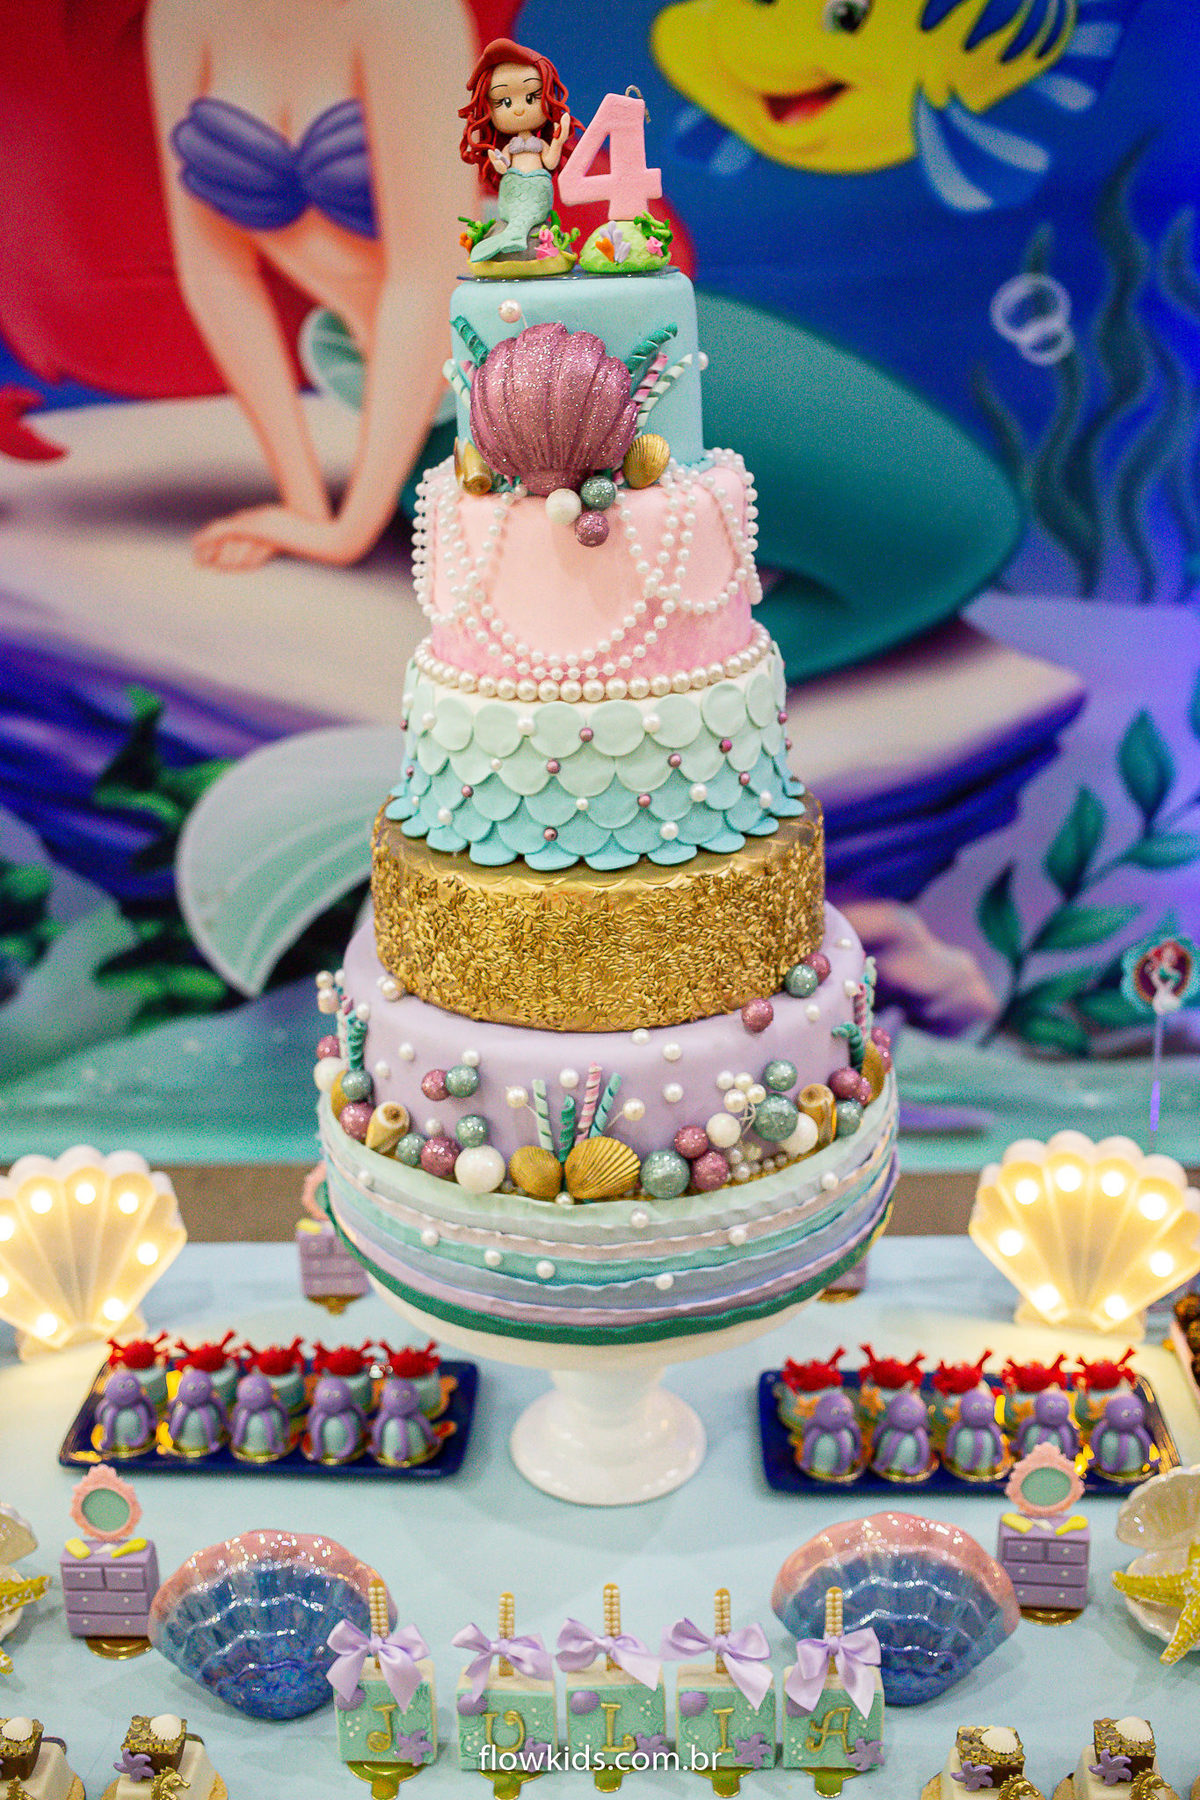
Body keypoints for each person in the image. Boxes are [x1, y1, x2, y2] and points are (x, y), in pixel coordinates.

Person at [146, 0, 474, 570]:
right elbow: (215, 271)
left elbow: (430, 280)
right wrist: (304, 509)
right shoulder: (181, 18)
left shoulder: (413, 16)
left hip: (491, 372)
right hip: (374, 390)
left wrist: (348, 532)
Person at [457, 38, 573, 265]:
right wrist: (497, 161)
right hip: (513, 185)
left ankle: (517, 236)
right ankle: (512, 235)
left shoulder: (540, 144)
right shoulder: (509, 147)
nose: (519, 109)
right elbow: (502, 166)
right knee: (514, 214)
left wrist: (558, 141)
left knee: (531, 215)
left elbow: (550, 162)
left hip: (537, 186)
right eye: (505, 102)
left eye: (531, 98)